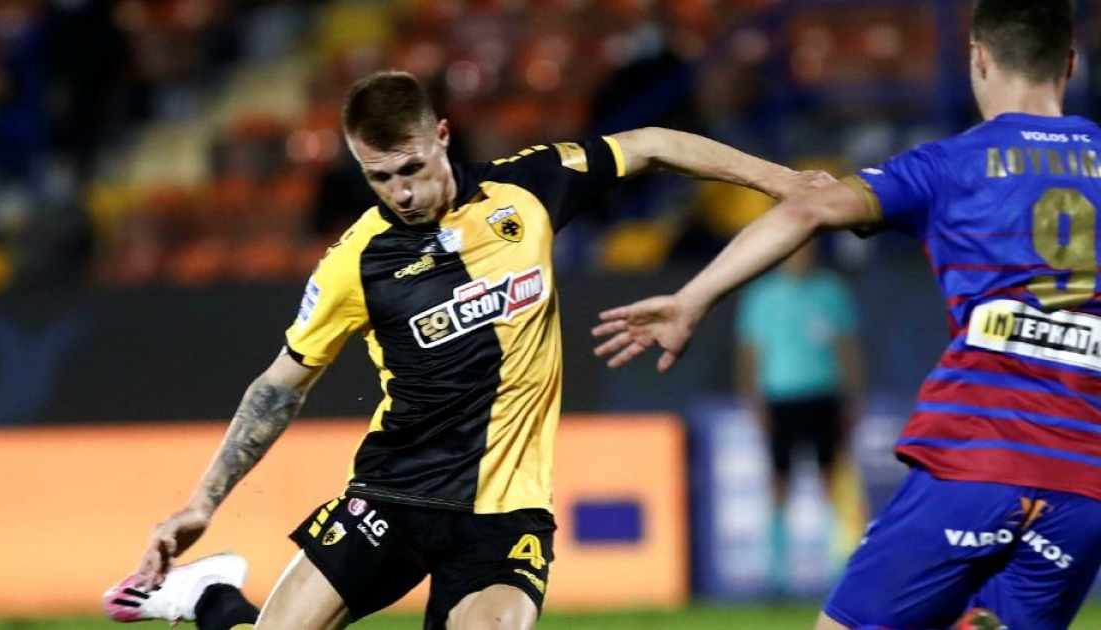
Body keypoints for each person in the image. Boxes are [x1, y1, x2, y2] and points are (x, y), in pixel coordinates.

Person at [102, 69, 829, 630]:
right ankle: (210, 594)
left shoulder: (527, 191)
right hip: (392, 494)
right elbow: (279, 385)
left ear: (442, 136)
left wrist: (783, 182)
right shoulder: (357, 262)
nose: (401, 193)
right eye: (379, 177)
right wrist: (201, 503)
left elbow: (651, 146)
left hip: (506, 515)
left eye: (411, 168)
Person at [593, 1, 1101, 629]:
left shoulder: (947, 164)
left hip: (976, 455)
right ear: (1070, 63)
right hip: (1085, 482)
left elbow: (807, 211)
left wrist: (692, 298)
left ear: (978, 58)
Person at [734, 240, 863, 595]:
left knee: (831, 481)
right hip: (780, 397)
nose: (801, 256)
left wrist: (853, 397)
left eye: (806, 249)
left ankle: (840, 568)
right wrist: (754, 402)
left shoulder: (832, 291)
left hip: (823, 394)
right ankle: (777, 574)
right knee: (779, 483)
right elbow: (750, 353)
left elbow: (846, 348)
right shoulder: (762, 296)